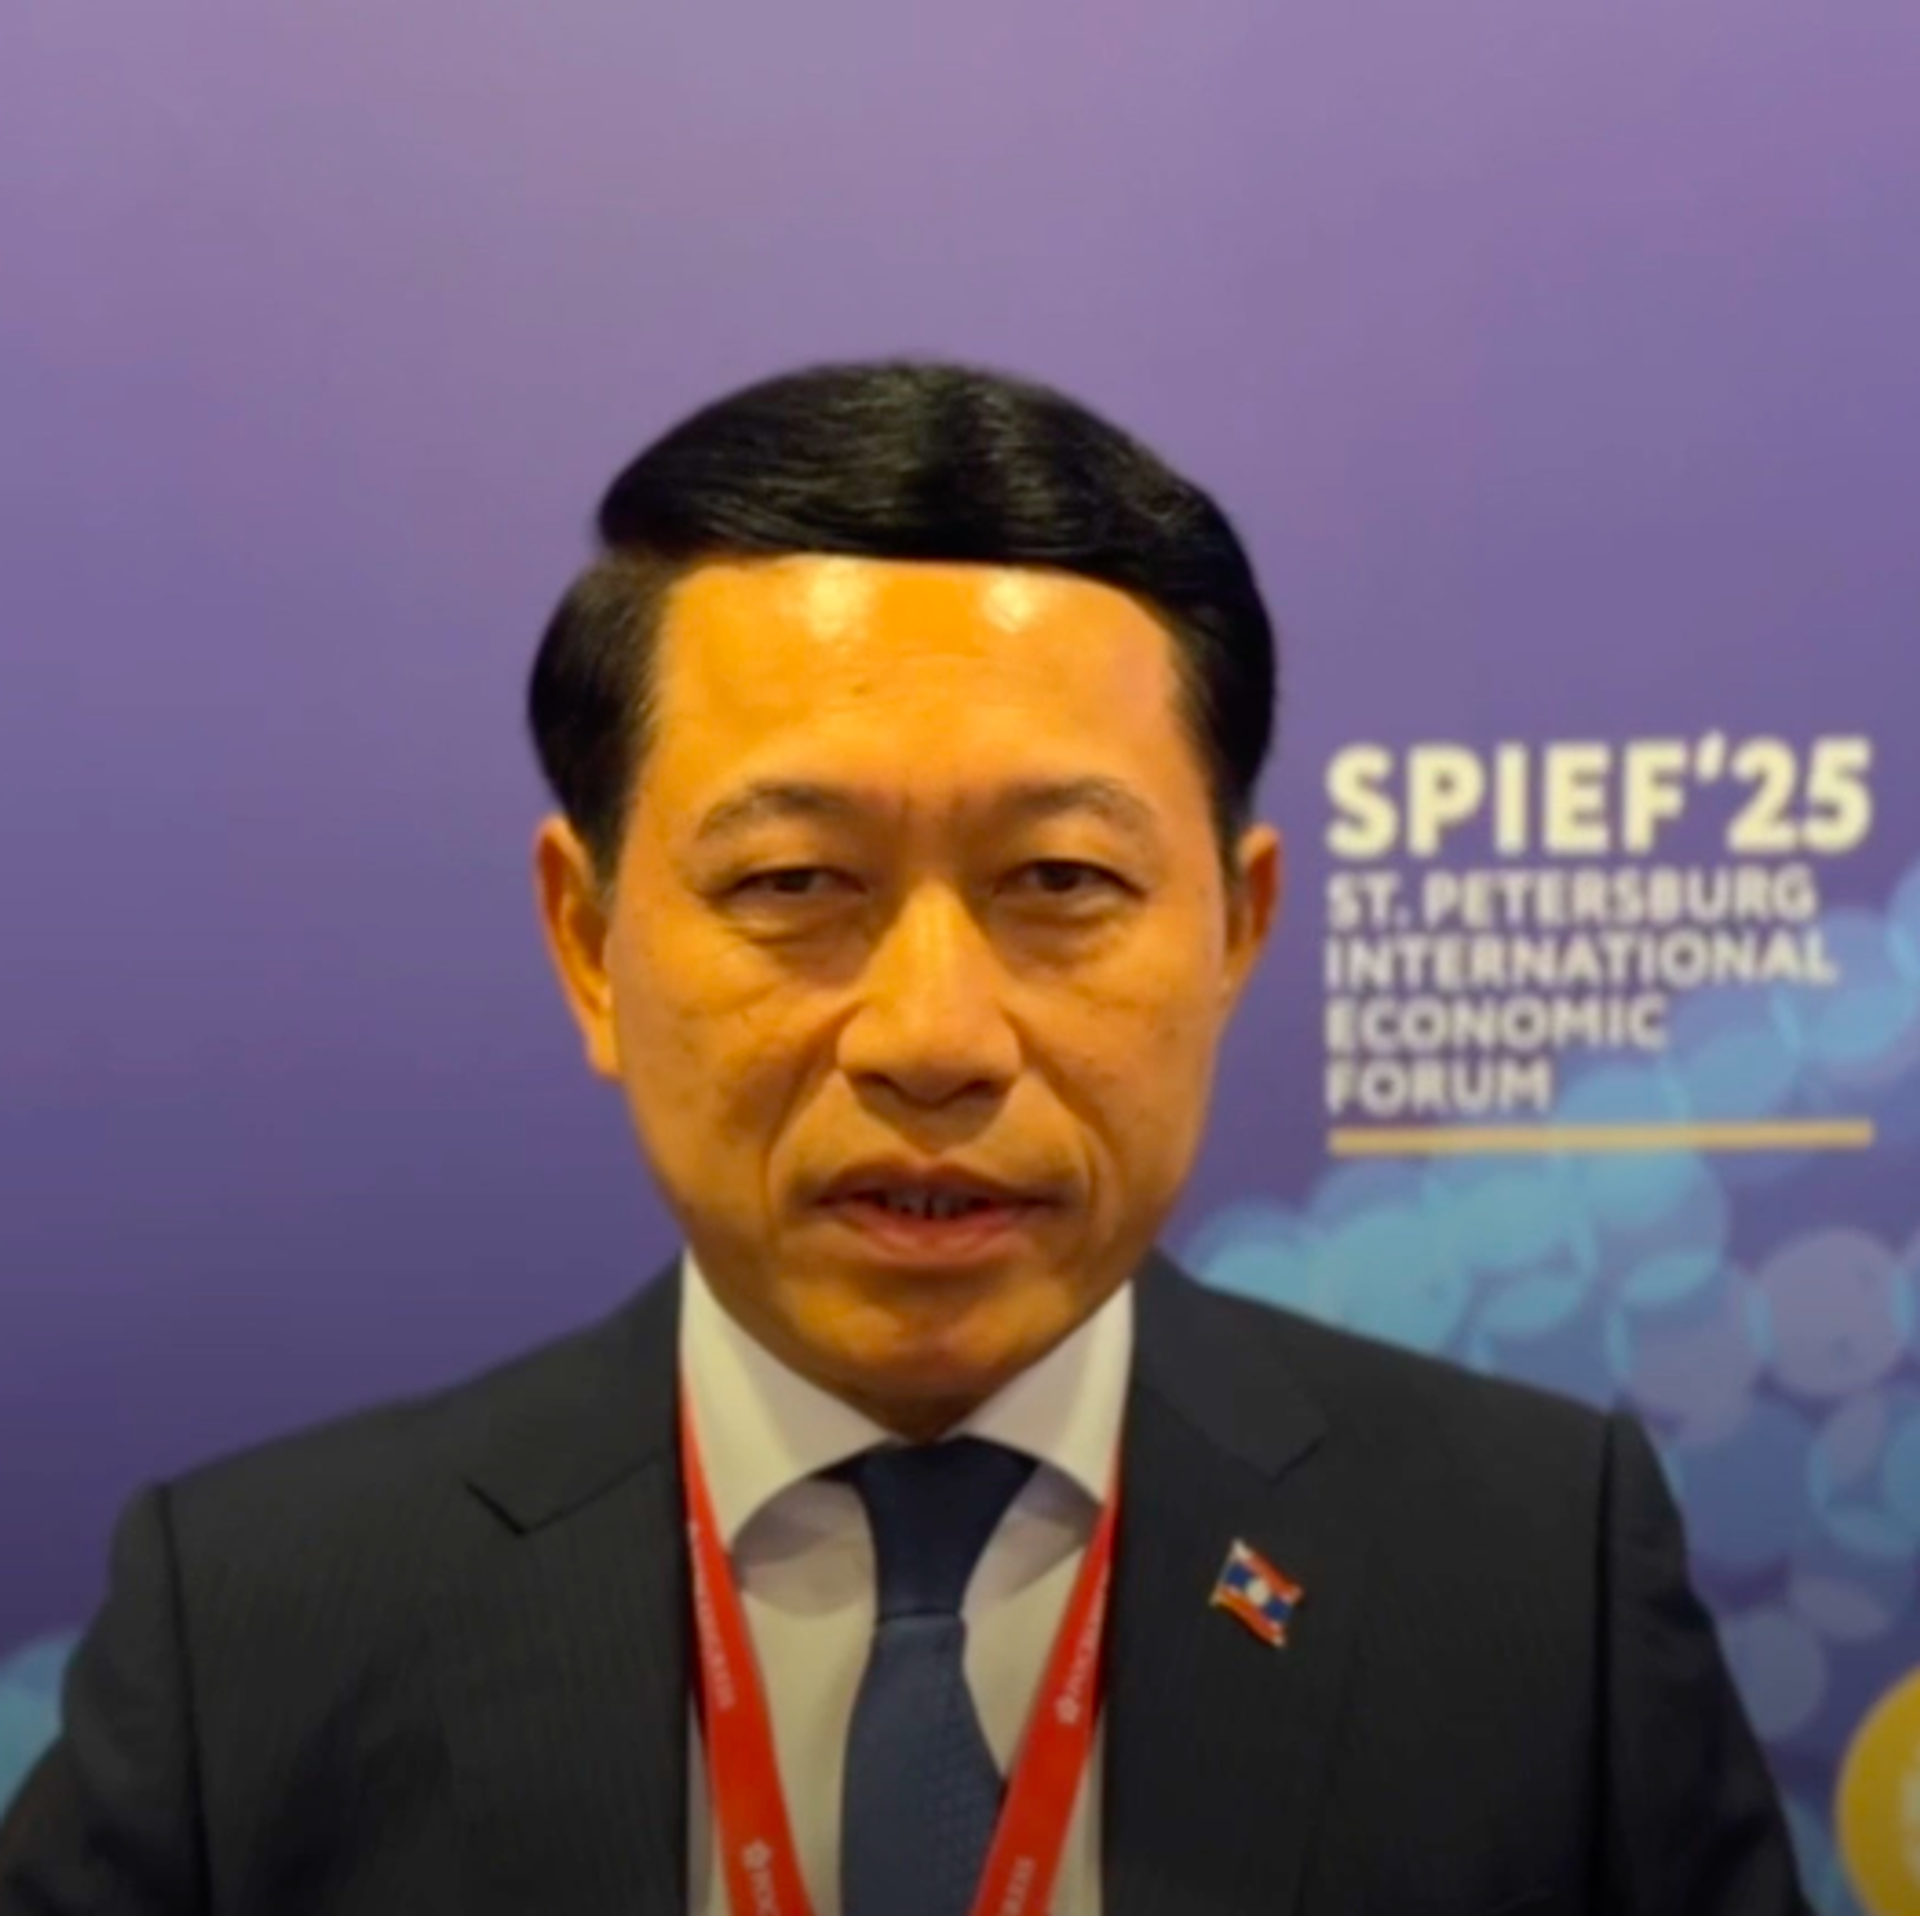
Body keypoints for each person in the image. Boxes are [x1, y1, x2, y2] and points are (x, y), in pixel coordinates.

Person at [0, 360, 1808, 1915]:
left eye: (1061, 882)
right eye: (795, 883)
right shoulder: (253, 1630)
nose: (934, 1040)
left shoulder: (1536, 1579)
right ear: (591, 943)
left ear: (1237, 934)